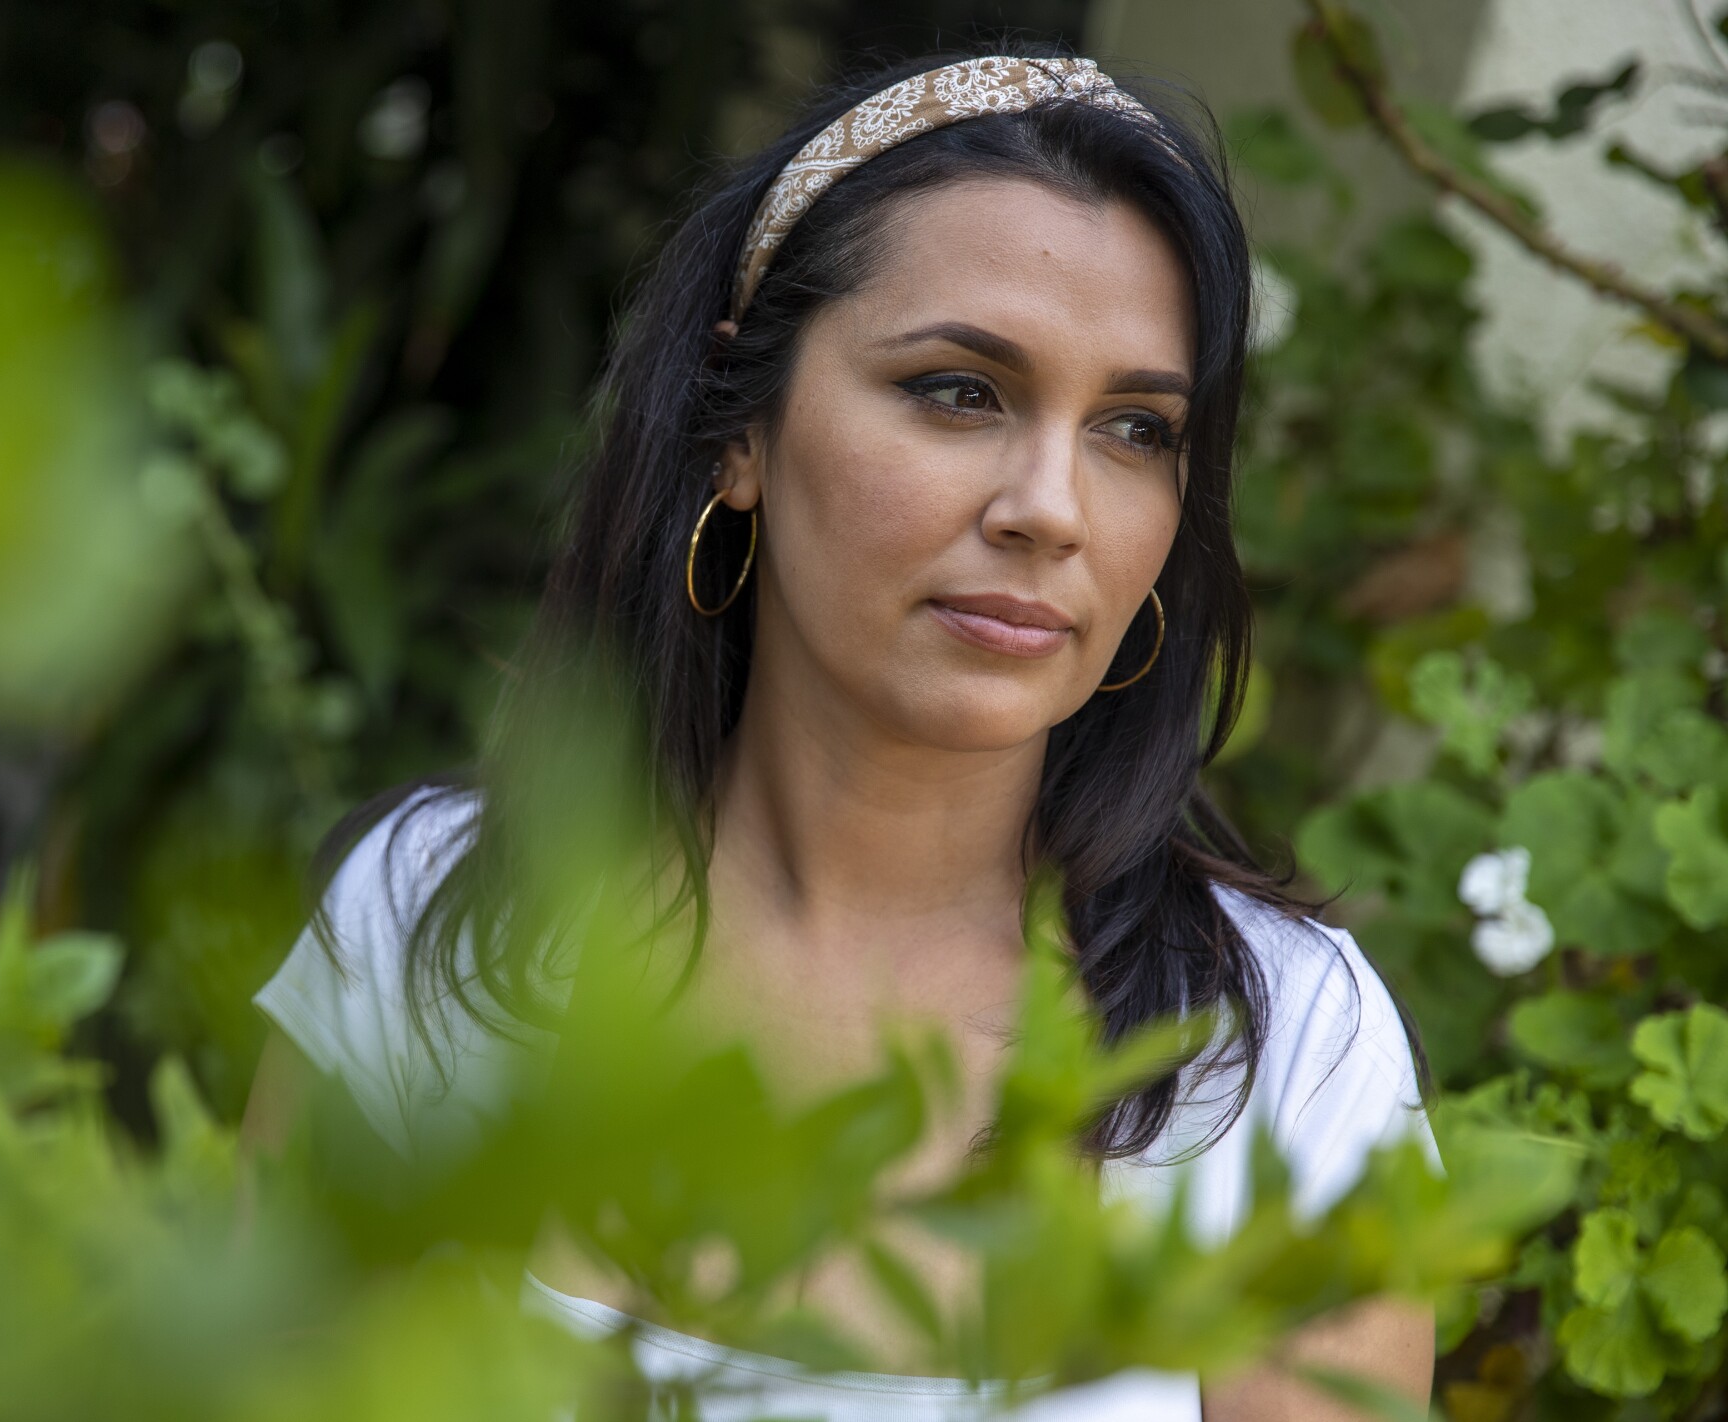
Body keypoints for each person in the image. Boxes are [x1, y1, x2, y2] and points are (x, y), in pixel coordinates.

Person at [241, 48, 1439, 1421]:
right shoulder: (440, 921)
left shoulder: (1273, 1054)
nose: (1052, 507)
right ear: (737, 431)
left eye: (1133, 427)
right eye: (958, 390)